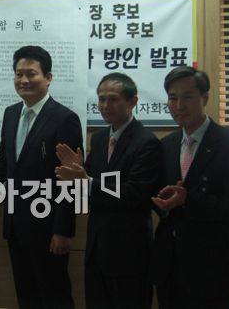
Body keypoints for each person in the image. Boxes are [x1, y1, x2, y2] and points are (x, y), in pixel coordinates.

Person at [0, 45, 83, 309]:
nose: (24, 80)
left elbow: (70, 180)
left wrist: (62, 230)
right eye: (18, 74)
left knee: (55, 296)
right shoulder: (11, 113)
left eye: (31, 74)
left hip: (48, 228)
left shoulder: (65, 119)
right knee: (26, 295)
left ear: (48, 78)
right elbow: (5, 161)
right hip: (16, 225)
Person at [55, 72, 161, 309]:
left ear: (133, 101)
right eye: (101, 99)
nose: (105, 106)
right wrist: (77, 172)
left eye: (113, 99)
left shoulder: (147, 142)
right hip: (97, 251)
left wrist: (86, 180)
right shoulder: (100, 138)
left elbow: (133, 194)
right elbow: (91, 190)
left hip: (129, 254)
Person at [150, 66, 229, 309]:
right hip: (170, 265)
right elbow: (161, 197)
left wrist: (188, 199)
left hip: (211, 266)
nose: (179, 105)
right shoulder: (167, 144)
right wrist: (163, 203)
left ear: (204, 98)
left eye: (187, 97)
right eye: (172, 98)